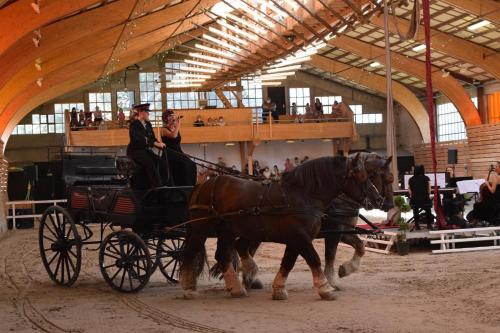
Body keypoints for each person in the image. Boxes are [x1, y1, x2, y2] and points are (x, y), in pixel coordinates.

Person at [126, 103, 167, 188]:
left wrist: (160, 144)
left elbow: (152, 138)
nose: (149, 113)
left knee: (161, 162)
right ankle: (158, 187)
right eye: (147, 111)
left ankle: (164, 183)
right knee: (150, 164)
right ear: (141, 113)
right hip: (135, 151)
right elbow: (140, 139)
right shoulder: (134, 124)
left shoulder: (148, 124)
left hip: (145, 150)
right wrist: (155, 143)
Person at [161, 109, 197, 186]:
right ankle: (182, 186)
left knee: (192, 164)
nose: (173, 116)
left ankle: (190, 186)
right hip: (170, 154)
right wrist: (178, 125)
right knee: (184, 165)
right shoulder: (163, 129)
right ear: (165, 118)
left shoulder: (175, 128)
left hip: (178, 152)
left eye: (173, 115)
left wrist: (176, 126)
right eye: (170, 115)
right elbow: (173, 136)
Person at [408, 165, 433, 230]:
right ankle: (429, 224)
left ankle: (417, 225)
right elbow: (429, 190)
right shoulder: (426, 178)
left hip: (415, 200)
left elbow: (410, 191)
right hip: (425, 199)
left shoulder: (411, 179)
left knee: (415, 211)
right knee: (428, 210)